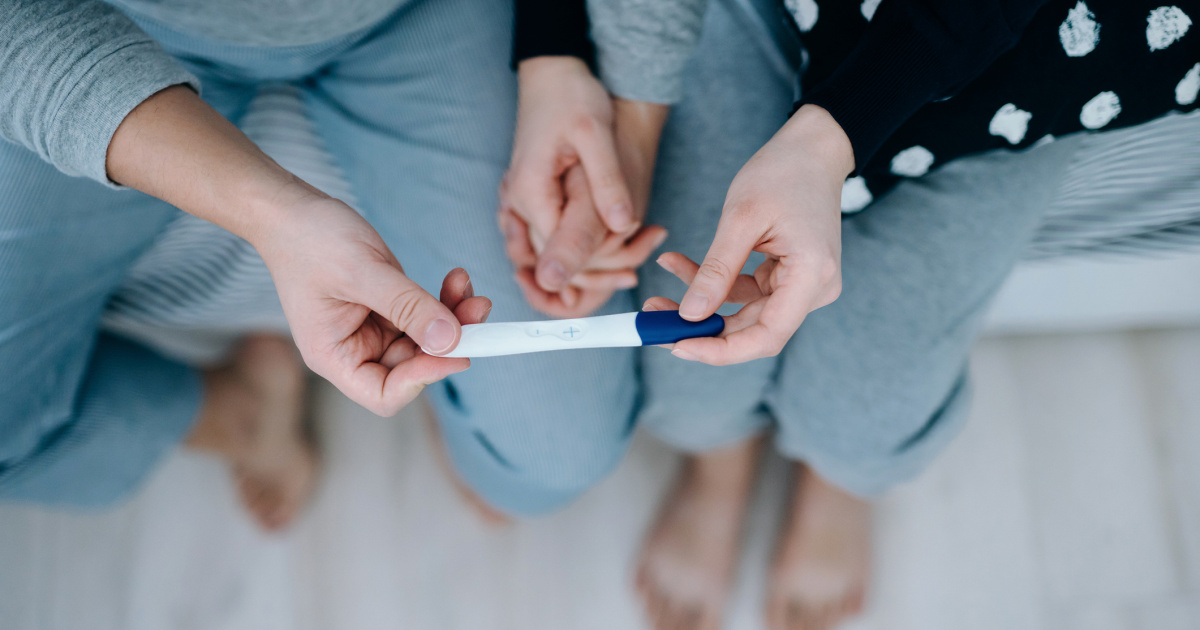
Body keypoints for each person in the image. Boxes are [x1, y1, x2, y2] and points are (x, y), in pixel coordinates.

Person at [503, 0, 1200, 628]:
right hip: (758, 16)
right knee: (691, 388)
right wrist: (634, 132)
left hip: (1014, 85)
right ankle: (719, 468)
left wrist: (828, 138)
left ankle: (836, 481)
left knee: (863, 424)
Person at [0, 0, 649, 530]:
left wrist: (552, 53)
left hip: (418, 16)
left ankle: (443, 400)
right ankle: (243, 415)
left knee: (553, 460)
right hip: (93, 32)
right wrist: (275, 216)